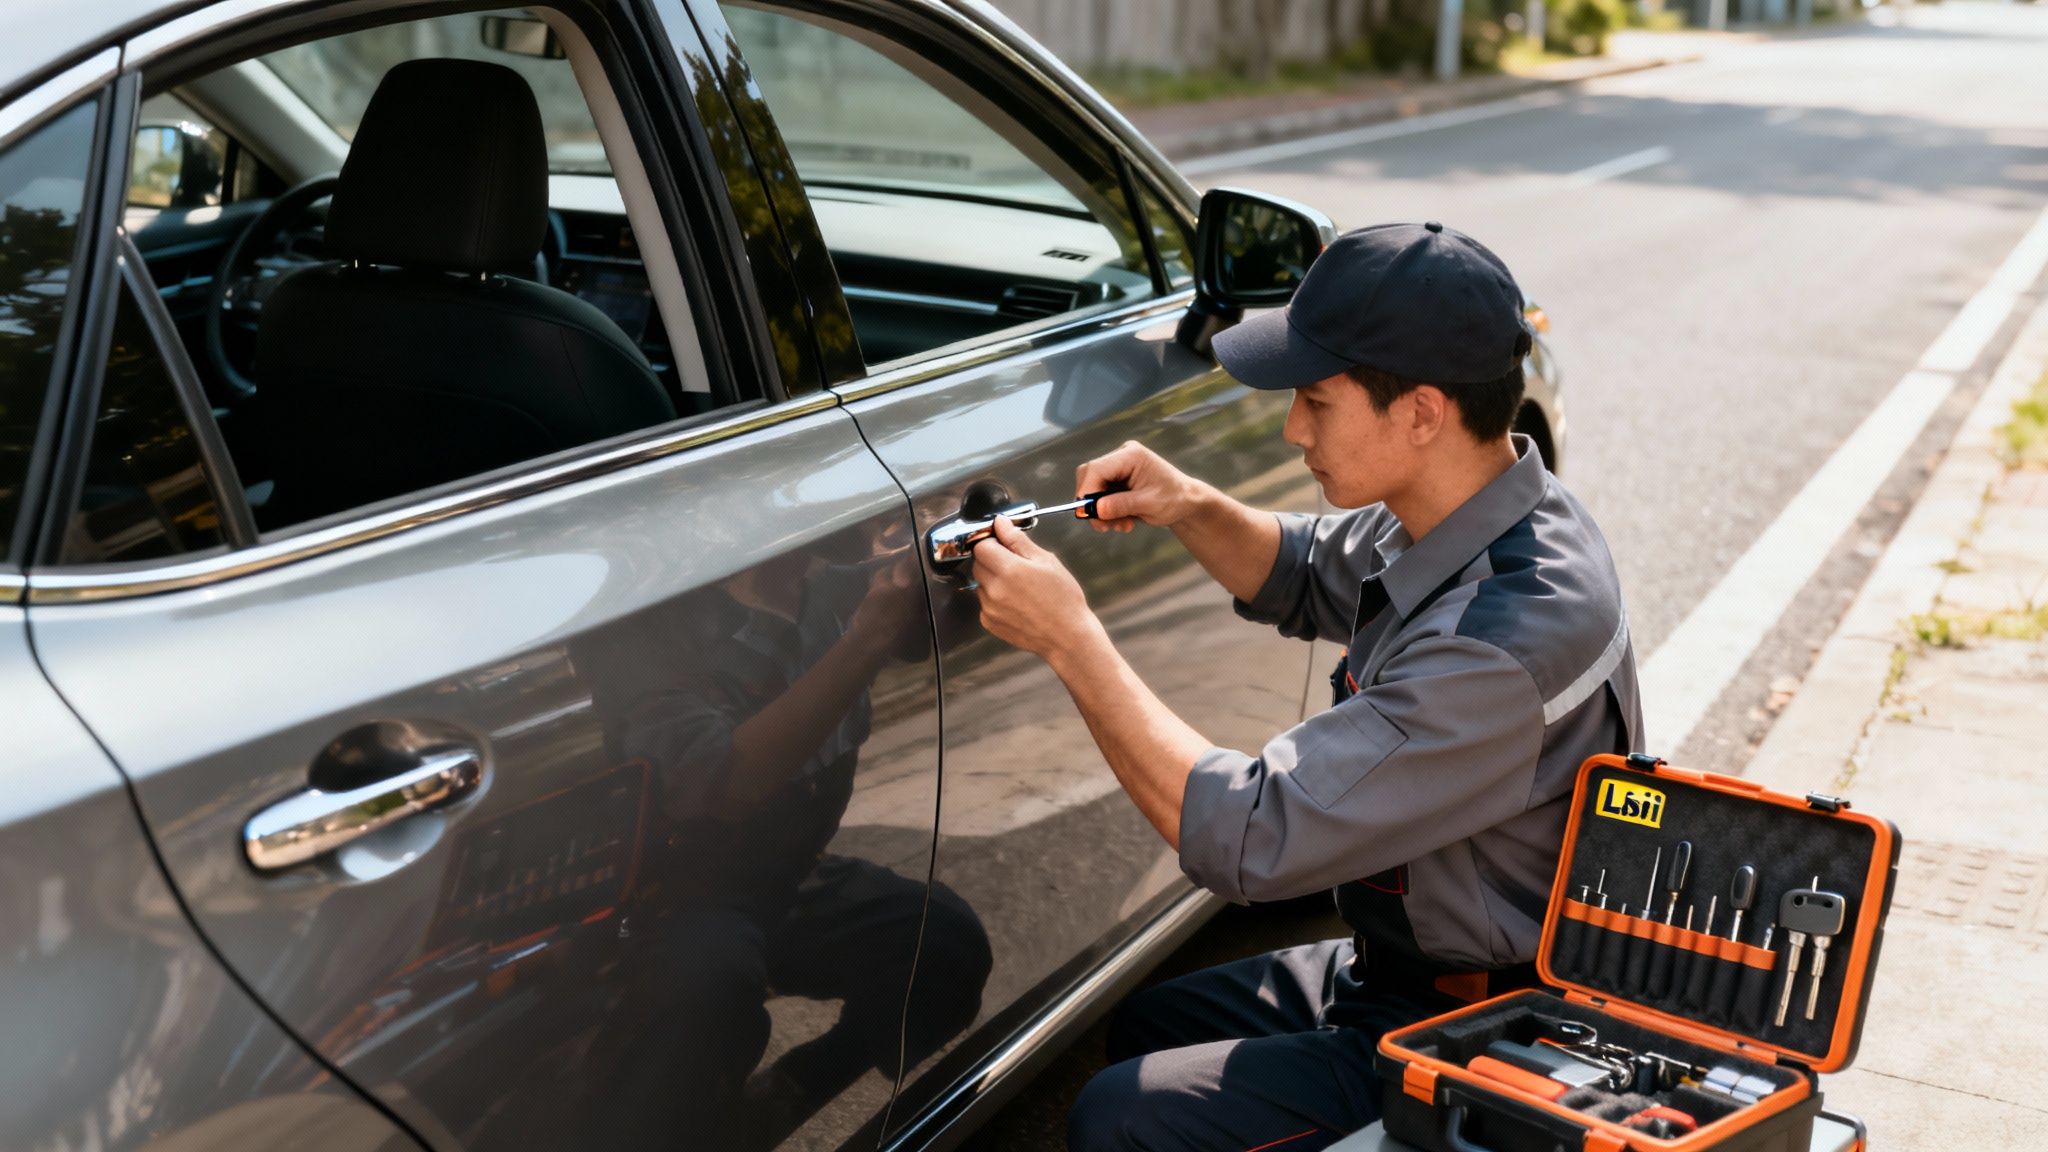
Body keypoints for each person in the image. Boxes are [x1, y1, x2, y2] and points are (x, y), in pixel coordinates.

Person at [968, 221, 1643, 1152]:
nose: (1294, 429)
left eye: (1317, 401)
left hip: (1488, 1024)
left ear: (1421, 411)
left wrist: (1072, 640)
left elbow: (1251, 836)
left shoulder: (1505, 639)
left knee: (1123, 1118)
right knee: (1152, 1026)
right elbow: (1305, 570)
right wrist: (1187, 503)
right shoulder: (1487, 505)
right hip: (1401, 967)